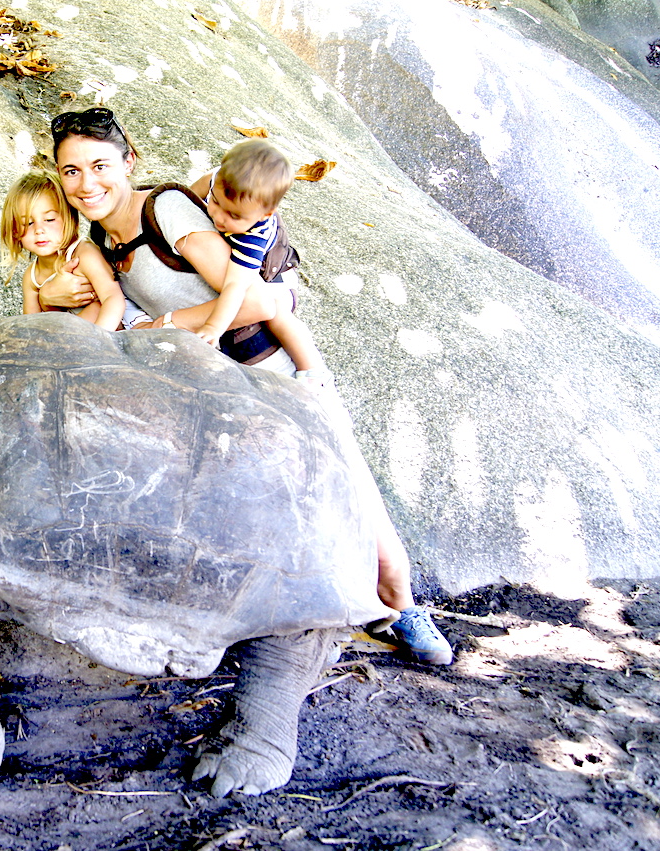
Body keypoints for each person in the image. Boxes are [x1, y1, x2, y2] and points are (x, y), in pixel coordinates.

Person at [40, 106, 452, 666]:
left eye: (99, 165)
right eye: (71, 171)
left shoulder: (166, 211)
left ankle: (402, 606)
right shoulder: (98, 240)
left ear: (129, 159)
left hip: (272, 373)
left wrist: (165, 325)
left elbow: (260, 299)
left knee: (354, 501)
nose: (87, 184)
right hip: (215, 394)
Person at [187, 139, 324, 374]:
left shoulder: (253, 236)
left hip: (273, 271)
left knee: (275, 312)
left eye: (233, 215)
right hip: (238, 249)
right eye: (216, 202)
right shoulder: (220, 180)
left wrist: (212, 327)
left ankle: (312, 370)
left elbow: (235, 287)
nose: (219, 217)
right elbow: (187, 197)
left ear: (266, 213)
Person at [0, 170, 125, 331]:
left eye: (50, 219)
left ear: (69, 218)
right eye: (28, 223)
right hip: (63, 340)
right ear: (15, 231)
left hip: (103, 333)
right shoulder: (31, 277)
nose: (39, 230)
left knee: (97, 308)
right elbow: (32, 327)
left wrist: (100, 341)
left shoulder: (83, 254)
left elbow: (113, 298)